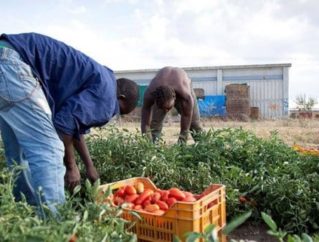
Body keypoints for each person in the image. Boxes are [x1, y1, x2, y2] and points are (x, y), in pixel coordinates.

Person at [0, 32, 139, 214]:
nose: (112, 115)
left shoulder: (101, 79)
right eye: (119, 111)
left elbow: (74, 123)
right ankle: (55, 228)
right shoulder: (107, 98)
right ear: (121, 98)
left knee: (18, 152)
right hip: (13, 65)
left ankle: (25, 214)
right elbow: (64, 123)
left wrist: (89, 166)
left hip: (7, 57)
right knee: (49, 149)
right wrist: (71, 167)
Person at [141, 66, 202, 143]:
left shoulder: (186, 96)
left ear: (174, 97)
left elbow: (185, 127)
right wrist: (146, 144)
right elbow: (145, 124)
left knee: (194, 124)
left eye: (168, 108)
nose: (166, 111)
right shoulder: (150, 94)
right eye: (162, 108)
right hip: (161, 90)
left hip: (183, 86)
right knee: (154, 125)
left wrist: (181, 144)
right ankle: (153, 148)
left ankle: (204, 147)